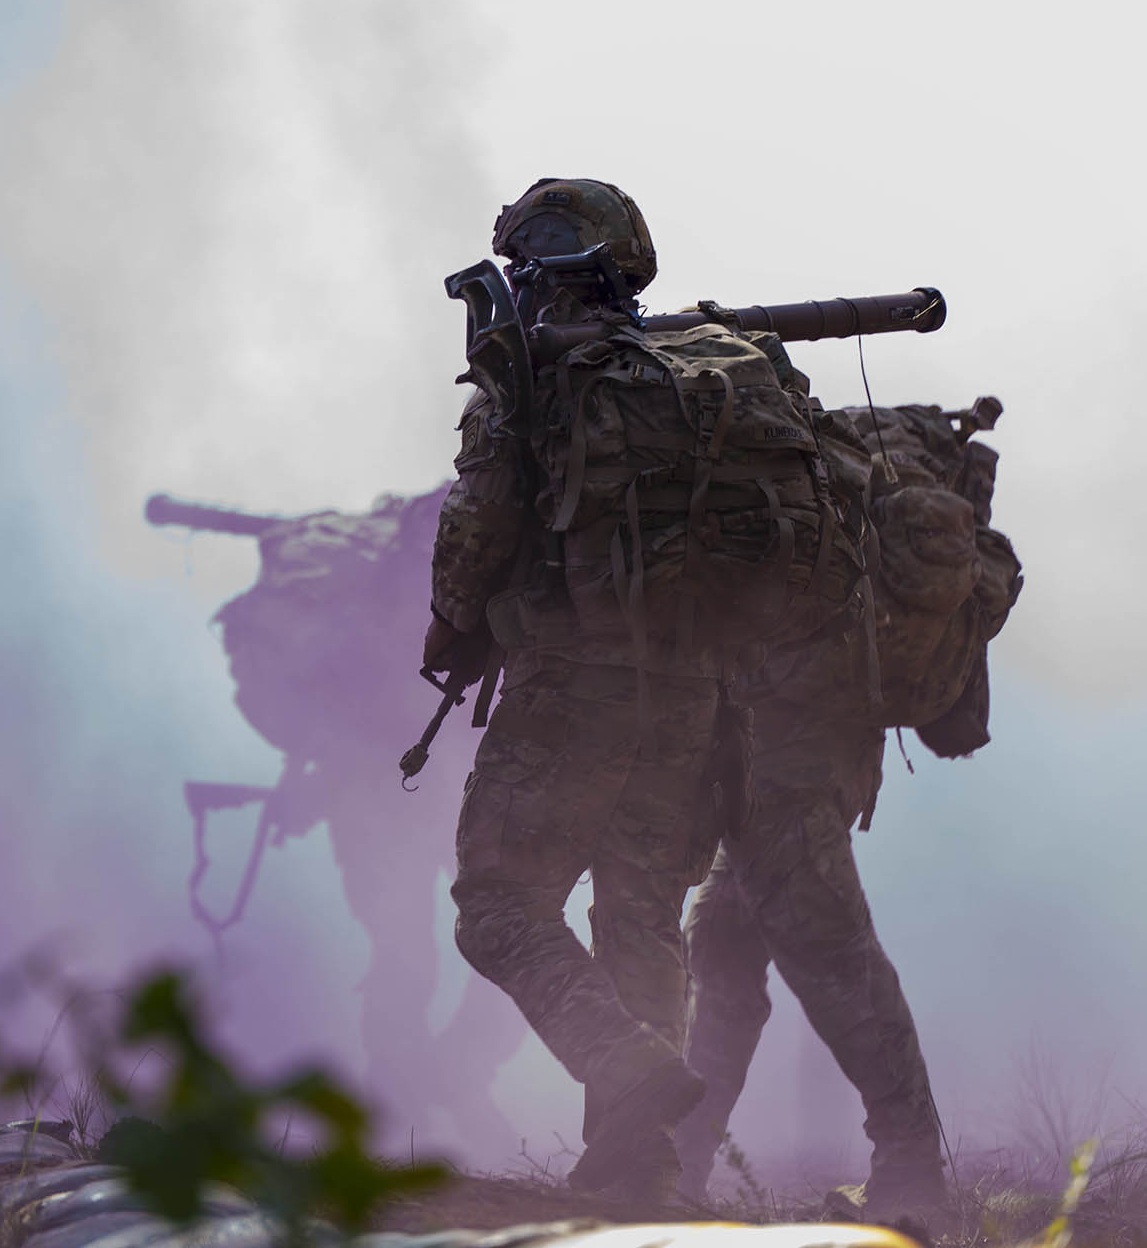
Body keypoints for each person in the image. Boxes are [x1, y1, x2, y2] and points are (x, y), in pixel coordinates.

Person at [426, 177, 865, 1209]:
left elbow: (477, 533)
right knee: (641, 916)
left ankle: (619, 1068)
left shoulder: (535, 377)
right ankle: (635, 1168)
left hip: (570, 691)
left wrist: (452, 633)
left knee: (497, 906)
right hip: (698, 699)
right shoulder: (720, 373)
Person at [673, 401, 1022, 1226]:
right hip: (792, 756)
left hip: (785, 769)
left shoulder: (779, 497)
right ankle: (678, 1160)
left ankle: (910, 1173)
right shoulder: (800, 494)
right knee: (723, 947)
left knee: (832, 960)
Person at [160, 486, 530, 1153]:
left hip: (410, 786)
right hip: (420, 785)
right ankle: (410, 1108)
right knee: (472, 942)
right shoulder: (426, 581)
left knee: (429, 952)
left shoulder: (380, 585)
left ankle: (424, 1095)